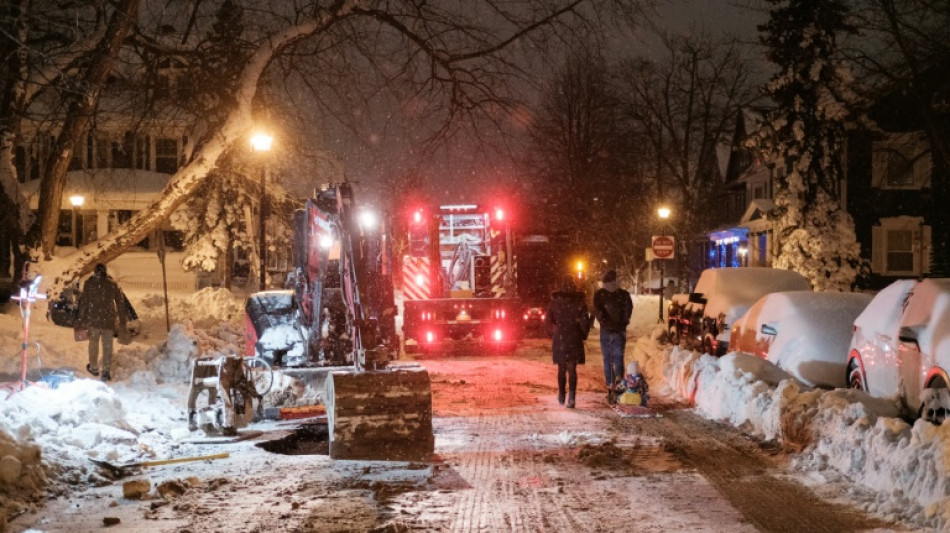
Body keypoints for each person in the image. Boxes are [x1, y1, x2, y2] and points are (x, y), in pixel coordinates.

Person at [545, 275, 591, 409]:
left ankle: (561, 394)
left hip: (560, 338)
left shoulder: (554, 303)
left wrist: (553, 334)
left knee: (561, 368)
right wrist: (582, 335)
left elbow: (547, 322)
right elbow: (585, 322)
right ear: (573, 287)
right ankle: (572, 397)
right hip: (574, 337)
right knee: (572, 369)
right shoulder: (579, 302)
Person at [77, 263, 127, 382]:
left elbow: (83, 302)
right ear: (105, 272)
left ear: (95, 272)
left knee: (93, 343)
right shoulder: (112, 285)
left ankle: (94, 367)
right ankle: (106, 371)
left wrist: (80, 318)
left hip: (93, 320)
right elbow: (120, 303)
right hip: (108, 321)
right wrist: (122, 321)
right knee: (107, 346)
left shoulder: (89, 284)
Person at [593, 269, 632, 404]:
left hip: (606, 331)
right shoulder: (624, 294)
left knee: (607, 359)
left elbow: (597, 311)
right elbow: (628, 310)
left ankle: (610, 386)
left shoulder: (599, 294)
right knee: (618, 358)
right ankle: (619, 384)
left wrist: (604, 322)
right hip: (619, 331)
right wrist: (622, 323)